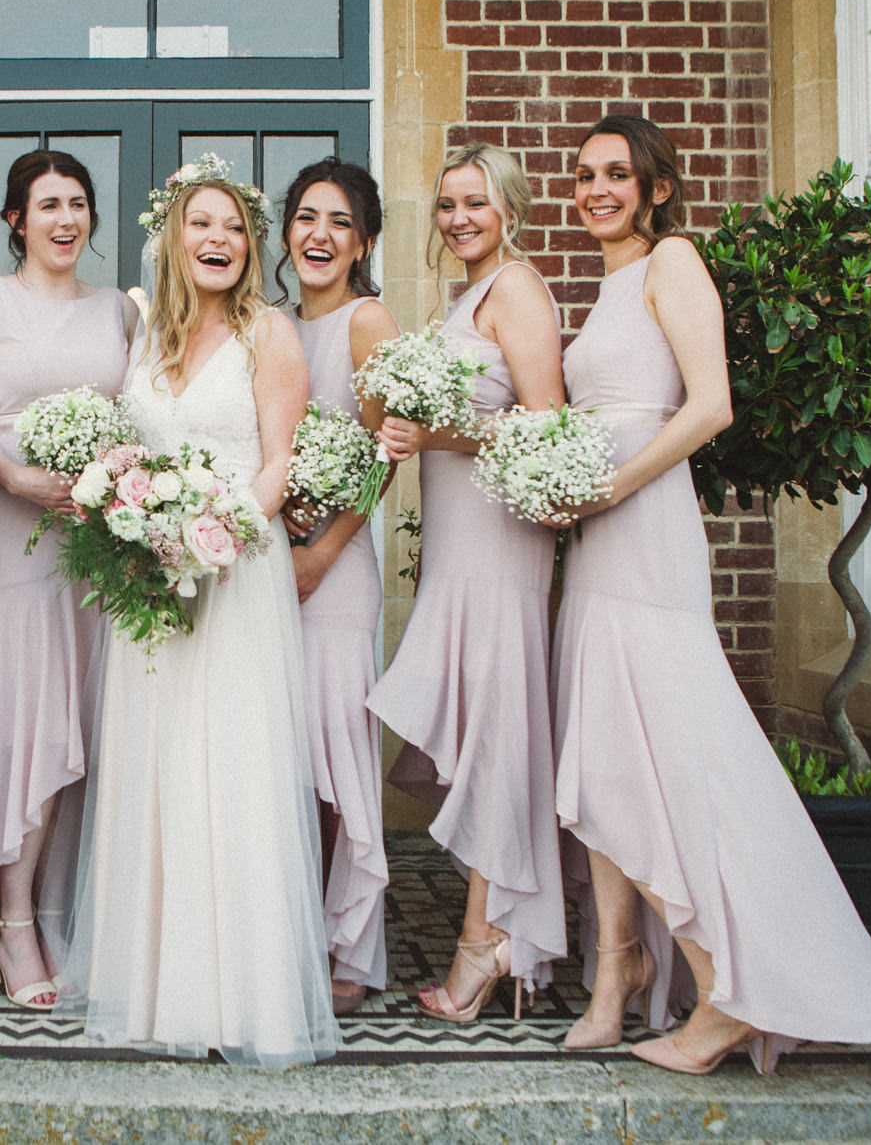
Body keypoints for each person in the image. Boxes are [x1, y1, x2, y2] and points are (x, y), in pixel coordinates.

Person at [552, 114, 871, 1070]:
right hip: (597, 534)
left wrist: (613, 483)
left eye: (617, 175)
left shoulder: (674, 261)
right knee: (604, 755)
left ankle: (724, 991)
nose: (596, 190)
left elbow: (710, 404)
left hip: (645, 528)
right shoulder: (605, 286)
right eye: (586, 174)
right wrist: (555, 483)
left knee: (671, 751)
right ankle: (616, 975)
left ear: (655, 188)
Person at [57, 169, 339, 1069]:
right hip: (151, 589)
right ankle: (155, 987)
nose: (217, 238)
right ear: (174, 238)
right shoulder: (148, 336)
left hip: (235, 578)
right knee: (159, 766)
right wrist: (139, 527)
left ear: (251, 246)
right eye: (199, 223)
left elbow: (280, 458)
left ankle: (234, 993)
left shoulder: (270, 331)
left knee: (231, 768)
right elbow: (132, 453)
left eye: (233, 227)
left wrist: (215, 537)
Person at [0, 151, 138, 1008]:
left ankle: (58, 909)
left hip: (96, 542)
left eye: (78, 203)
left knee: (84, 728)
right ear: (16, 218)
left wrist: (114, 479)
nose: (65, 219)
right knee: (25, 723)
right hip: (15, 529)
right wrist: (16, 479)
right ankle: (10, 921)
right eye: (47, 204)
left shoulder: (119, 307)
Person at [364, 141, 568, 1022]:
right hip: (459, 540)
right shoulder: (468, 296)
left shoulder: (516, 287)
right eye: (447, 204)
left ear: (509, 206)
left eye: (475, 202)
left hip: (498, 543)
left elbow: (546, 422)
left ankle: (485, 944)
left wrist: (437, 436)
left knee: (493, 732)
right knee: (483, 727)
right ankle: (500, 930)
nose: (458, 219)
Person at [276, 159, 399, 1017]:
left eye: (340, 222)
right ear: (286, 232)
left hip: (337, 568)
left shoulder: (368, 321)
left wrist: (324, 551)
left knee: (333, 757)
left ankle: (345, 939)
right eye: (306, 217)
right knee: (285, 756)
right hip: (273, 566)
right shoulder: (272, 327)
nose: (320, 234)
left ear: (363, 242)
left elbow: (388, 451)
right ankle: (290, 930)